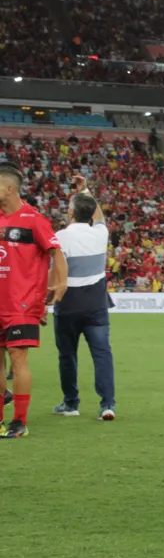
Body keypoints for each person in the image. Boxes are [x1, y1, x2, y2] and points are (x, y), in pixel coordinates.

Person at [0, 163, 69, 439]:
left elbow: (56, 253)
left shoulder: (33, 219)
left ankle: (19, 421)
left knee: (18, 359)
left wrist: (60, 283)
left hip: (23, 305)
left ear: (9, 188)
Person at [52, 176, 117, 420]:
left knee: (67, 355)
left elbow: (57, 271)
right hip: (96, 304)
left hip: (68, 303)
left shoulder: (61, 236)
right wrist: (86, 190)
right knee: (102, 354)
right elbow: (97, 215)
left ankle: (71, 404)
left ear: (70, 212)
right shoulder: (101, 232)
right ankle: (107, 404)